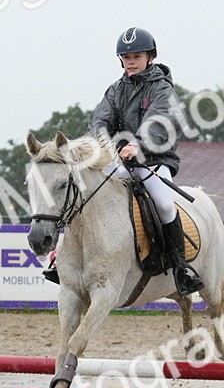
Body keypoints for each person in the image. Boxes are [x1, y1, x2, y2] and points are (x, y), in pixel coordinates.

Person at [87, 27, 203, 297]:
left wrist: (137, 143)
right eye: (125, 56)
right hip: (119, 160)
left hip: (153, 160)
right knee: (88, 190)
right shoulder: (115, 90)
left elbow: (159, 122)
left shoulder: (162, 89)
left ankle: (180, 268)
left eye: (136, 55)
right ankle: (65, 259)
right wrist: (104, 143)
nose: (130, 60)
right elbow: (100, 119)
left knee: (163, 204)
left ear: (150, 57)